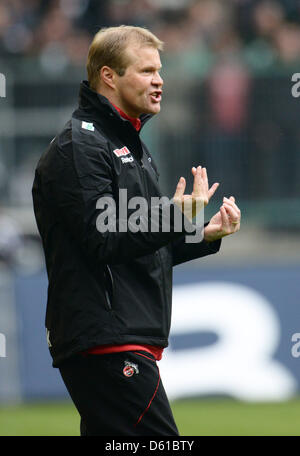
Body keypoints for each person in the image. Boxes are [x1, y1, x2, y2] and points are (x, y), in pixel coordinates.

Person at [32, 25, 241, 436]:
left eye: (158, 70)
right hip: (105, 338)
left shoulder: (130, 144)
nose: (159, 80)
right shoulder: (81, 147)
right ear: (109, 76)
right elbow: (102, 238)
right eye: (146, 70)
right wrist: (174, 216)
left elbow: (141, 246)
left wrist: (203, 234)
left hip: (122, 336)